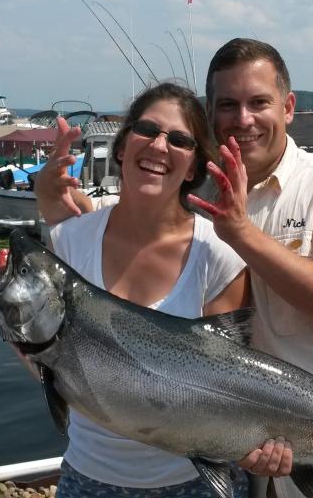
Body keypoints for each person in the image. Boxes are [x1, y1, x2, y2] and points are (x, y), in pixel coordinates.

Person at [39, 39, 313, 498]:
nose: (244, 119)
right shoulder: (203, 196)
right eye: (228, 105)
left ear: (288, 107)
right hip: (257, 456)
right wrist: (57, 205)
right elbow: (136, 226)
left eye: (259, 103)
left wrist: (241, 233)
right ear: (212, 115)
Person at [46, 82, 253, 497]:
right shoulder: (68, 241)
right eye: (147, 130)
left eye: (179, 140)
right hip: (89, 477)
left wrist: (258, 444)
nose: (159, 146)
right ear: (122, 147)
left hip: (194, 483)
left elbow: (229, 385)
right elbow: (49, 363)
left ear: (193, 168)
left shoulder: (219, 254)